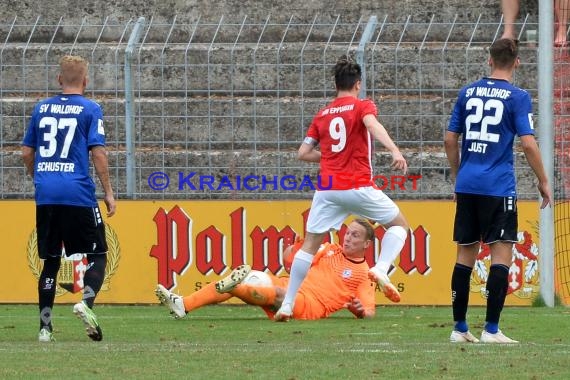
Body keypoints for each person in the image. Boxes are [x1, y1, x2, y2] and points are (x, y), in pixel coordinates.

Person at [273, 55, 409, 322]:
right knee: (399, 225)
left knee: (309, 246)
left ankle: (287, 305)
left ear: (336, 85)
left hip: (328, 188)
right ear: (357, 84)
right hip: (358, 184)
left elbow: (303, 153)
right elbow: (372, 125)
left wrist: (331, 158)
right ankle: (381, 268)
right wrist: (394, 149)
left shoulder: (322, 114)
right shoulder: (362, 106)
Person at [444, 38, 552, 344]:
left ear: (489, 60)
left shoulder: (467, 92)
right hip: (497, 187)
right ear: (517, 62)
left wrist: (458, 176)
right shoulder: (517, 96)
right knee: (501, 253)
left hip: (467, 185)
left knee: (465, 255)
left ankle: (459, 328)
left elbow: (450, 140)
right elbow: (528, 143)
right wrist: (544, 181)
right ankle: (491, 329)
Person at [22, 55, 116, 342]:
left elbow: (26, 152)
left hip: (47, 195)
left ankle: (44, 327)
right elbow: (98, 152)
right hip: (77, 194)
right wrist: (109, 193)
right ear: (85, 81)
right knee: (98, 255)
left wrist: (38, 178)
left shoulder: (41, 108)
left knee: (50, 262)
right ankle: (85, 304)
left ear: (59, 79)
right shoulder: (90, 109)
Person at [155, 219, 377, 320]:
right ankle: (183, 304)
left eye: (355, 236)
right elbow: (293, 260)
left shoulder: (363, 274)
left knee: (273, 294)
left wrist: (360, 311)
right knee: (254, 278)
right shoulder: (330, 249)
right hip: (290, 285)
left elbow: (369, 311)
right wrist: (293, 251)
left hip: (311, 304)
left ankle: (237, 286)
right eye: (348, 232)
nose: (348, 238)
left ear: (367, 244)